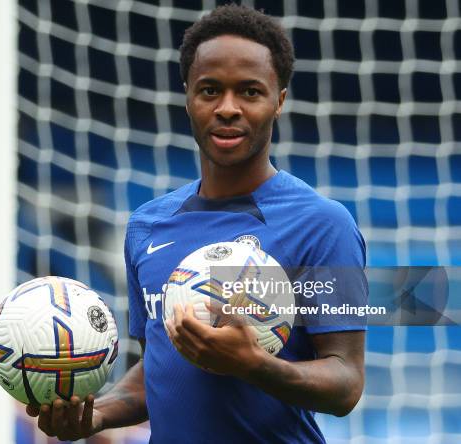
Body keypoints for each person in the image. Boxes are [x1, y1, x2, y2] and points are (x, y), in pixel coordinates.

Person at [27, 5, 366, 443]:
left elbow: (346, 383)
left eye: (249, 92)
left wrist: (253, 363)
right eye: (209, 91)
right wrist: (98, 415)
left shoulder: (322, 224)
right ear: (187, 94)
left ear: (279, 99)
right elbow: (160, 369)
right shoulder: (147, 226)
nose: (227, 108)